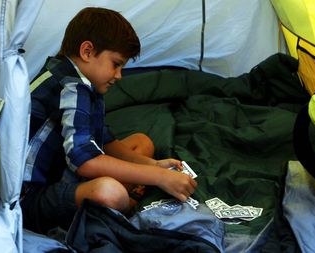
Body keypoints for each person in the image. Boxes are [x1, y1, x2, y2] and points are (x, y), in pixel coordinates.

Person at [21, 7, 197, 234]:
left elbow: (102, 140)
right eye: (116, 64)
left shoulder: (81, 80)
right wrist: (159, 176)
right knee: (109, 192)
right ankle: (127, 204)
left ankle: (127, 192)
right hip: (30, 201)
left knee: (142, 142)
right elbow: (85, 162)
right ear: (87, 51)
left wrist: (153, 165)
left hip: (62, 170)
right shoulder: (72, 87)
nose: (119, 75)